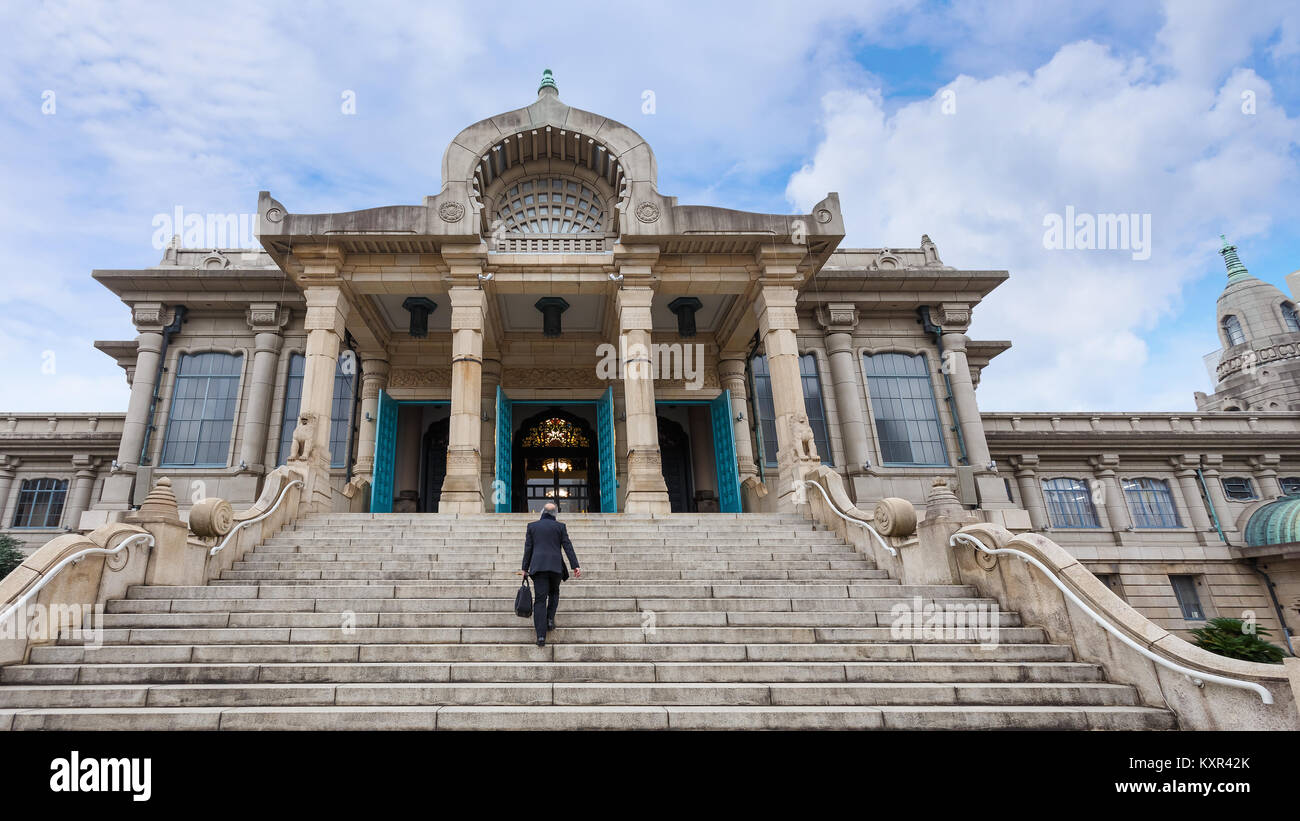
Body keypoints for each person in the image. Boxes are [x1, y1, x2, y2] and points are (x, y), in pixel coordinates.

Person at [519, 502, 581, 646]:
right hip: (555, 567)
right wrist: (575, 565)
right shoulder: (560, 527)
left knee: (540, 600)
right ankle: (549, 619)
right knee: (554, 593)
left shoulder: (532, 526)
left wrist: (524, 568)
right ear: (555, 514)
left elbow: (528, 549)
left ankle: (541, 636)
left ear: (542, 512)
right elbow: (567, 546)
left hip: (538, 567)